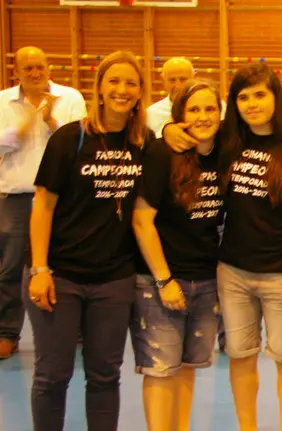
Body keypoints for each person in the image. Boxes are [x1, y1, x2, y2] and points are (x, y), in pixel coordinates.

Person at [24, 50, 150, 431]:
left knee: (105, 375)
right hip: (61, 273)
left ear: (141, 91)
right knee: (52, 373)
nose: (122, 90)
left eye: (130, 82)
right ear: (98, 89)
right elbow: (43, 206)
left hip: (114, 277)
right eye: (113, 81)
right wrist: (40, 269)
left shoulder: (145, 143)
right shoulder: (71, 138)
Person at [206, 63, 282, 431]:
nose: (252, 103)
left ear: (276, 97)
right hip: (234, 272)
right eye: (243, 97)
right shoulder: (226, 141)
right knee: (240, 356)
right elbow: (182, 132)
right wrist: (173, 127)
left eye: (260, 94)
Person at [130, 78, 224, 431]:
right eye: (194, 109)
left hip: (205, 279)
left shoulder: (225, 149)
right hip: (162, 279)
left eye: (210, 108)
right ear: (180, 115)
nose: (202, 116)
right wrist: (164, 279)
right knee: (160, 369)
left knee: (187, 367)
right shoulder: (161, 153)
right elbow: (142, 221)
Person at [0, 46, 86, 359]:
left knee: (65, 263)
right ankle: (7, 332)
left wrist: (50, 121)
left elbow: (82, 142)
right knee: (10, 268)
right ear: (17, 72)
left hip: (63, 198)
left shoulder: (71, 98)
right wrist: (25, 124)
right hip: (16, 196)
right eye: (28, 68)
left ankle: (74, 330)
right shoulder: (3, 101)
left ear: (49, 67)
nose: (35, 73)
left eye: (40, 66)